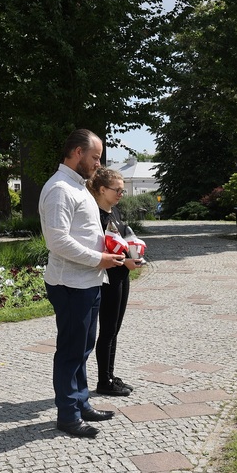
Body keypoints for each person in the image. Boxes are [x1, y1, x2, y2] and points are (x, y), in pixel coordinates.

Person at [39, 128, 125, 438]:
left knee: (84, 348)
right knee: (70, 351)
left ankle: (81, 402)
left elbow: (84, 232)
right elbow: (58, 241)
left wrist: (109, 246)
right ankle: (68, 415)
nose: (98, 165)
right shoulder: (60, 188)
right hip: (71, 284)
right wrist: (98, 259)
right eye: (95, 157)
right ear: (77, 153)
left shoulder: (77, 186)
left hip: (88, 281)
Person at [88, 168, 144, 397]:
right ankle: (104, 380)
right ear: (102, 190)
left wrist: (134, 257)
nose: (121, 193)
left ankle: (110, 375)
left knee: (115, 330)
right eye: (117, 189)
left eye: (122, 190)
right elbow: (100, 250)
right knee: (108, 329)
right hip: (107, 278)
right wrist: (125, 263)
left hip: (121, 276)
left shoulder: (115, 212)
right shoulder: (95, 217)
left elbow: (122, 242)